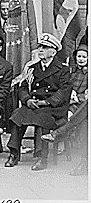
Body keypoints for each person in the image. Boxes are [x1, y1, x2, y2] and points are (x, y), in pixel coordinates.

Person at [4, 33, 71, 171]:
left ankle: (42, 157)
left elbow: (64, 91)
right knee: (18, 115)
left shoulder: (63, 69)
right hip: (34, 104)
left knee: (42, 118)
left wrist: (47, 102)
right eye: (40, 47)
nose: (40, 49)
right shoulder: (32, 68)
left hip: (53, 108)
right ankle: (14, 153)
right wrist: (27, 100)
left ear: (53, 52)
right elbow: (22, 87)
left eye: (45, 47)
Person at [42, 44, 88, 175]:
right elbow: (65, 88)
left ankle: (59, 133)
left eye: (84, 56)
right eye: (79, 56)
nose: (81, 59)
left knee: (78, 114)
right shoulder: (71, 72)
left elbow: (86, 95)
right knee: (73, 116)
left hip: (80, 104)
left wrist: (78, 98)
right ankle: (60, 136)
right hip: (73, 104)